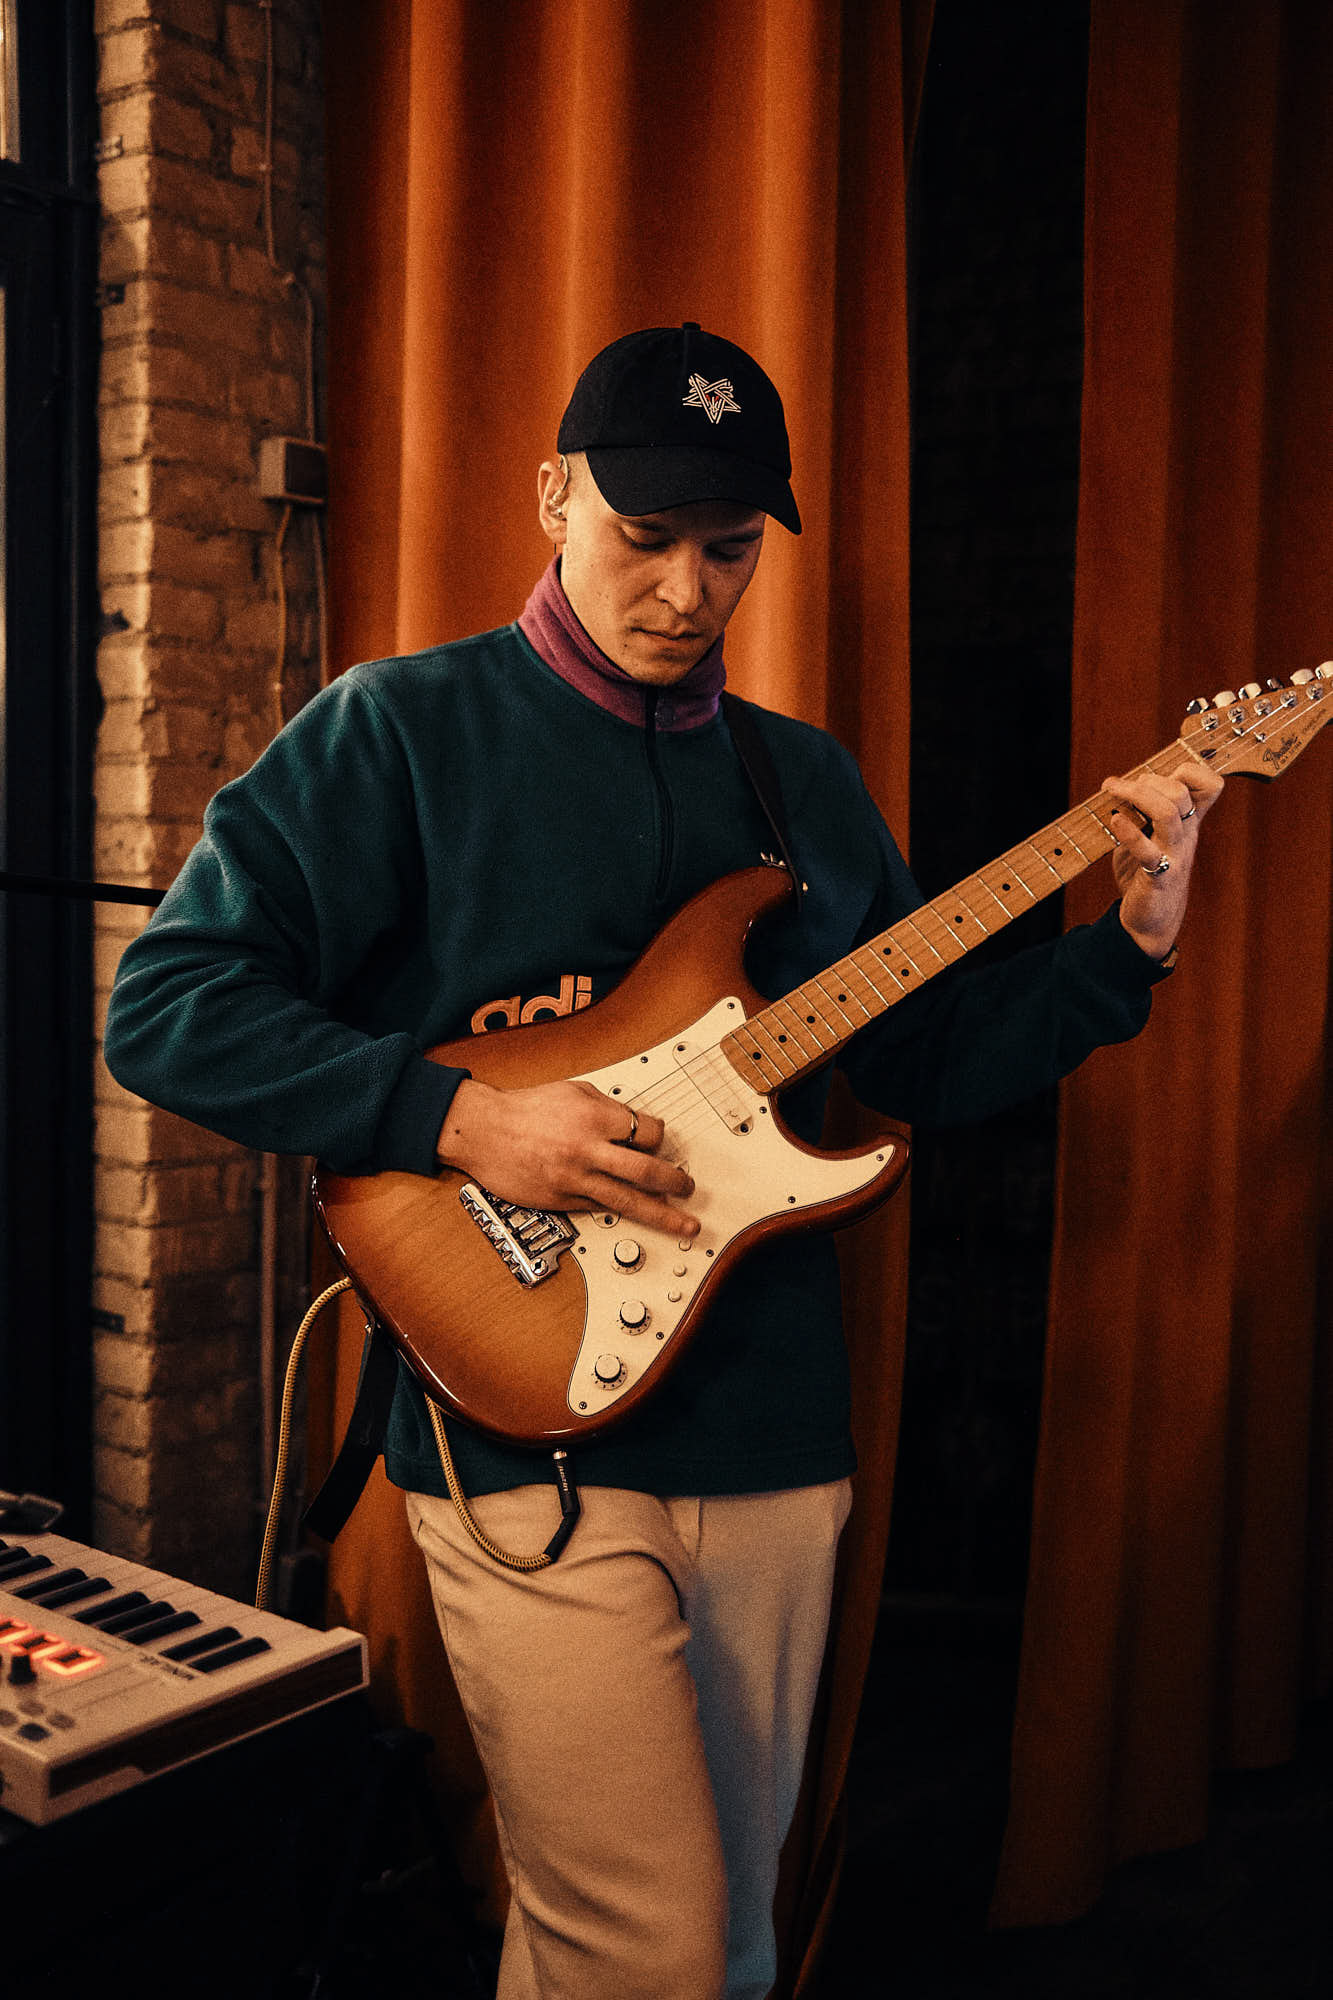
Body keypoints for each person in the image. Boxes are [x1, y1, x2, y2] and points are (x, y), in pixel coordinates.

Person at [104, 322, 1223, 2000]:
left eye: (728, 549)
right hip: (519, 1427)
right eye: (644, 536)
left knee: (731, 1942)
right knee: (643, 1944)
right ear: (551, 497)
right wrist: (460, 1116)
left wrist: (1122, 950)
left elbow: (914, 1058)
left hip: (769, 1430)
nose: (687, 591)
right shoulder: (396, 731)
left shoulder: (803, 785)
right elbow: (168, 1007)